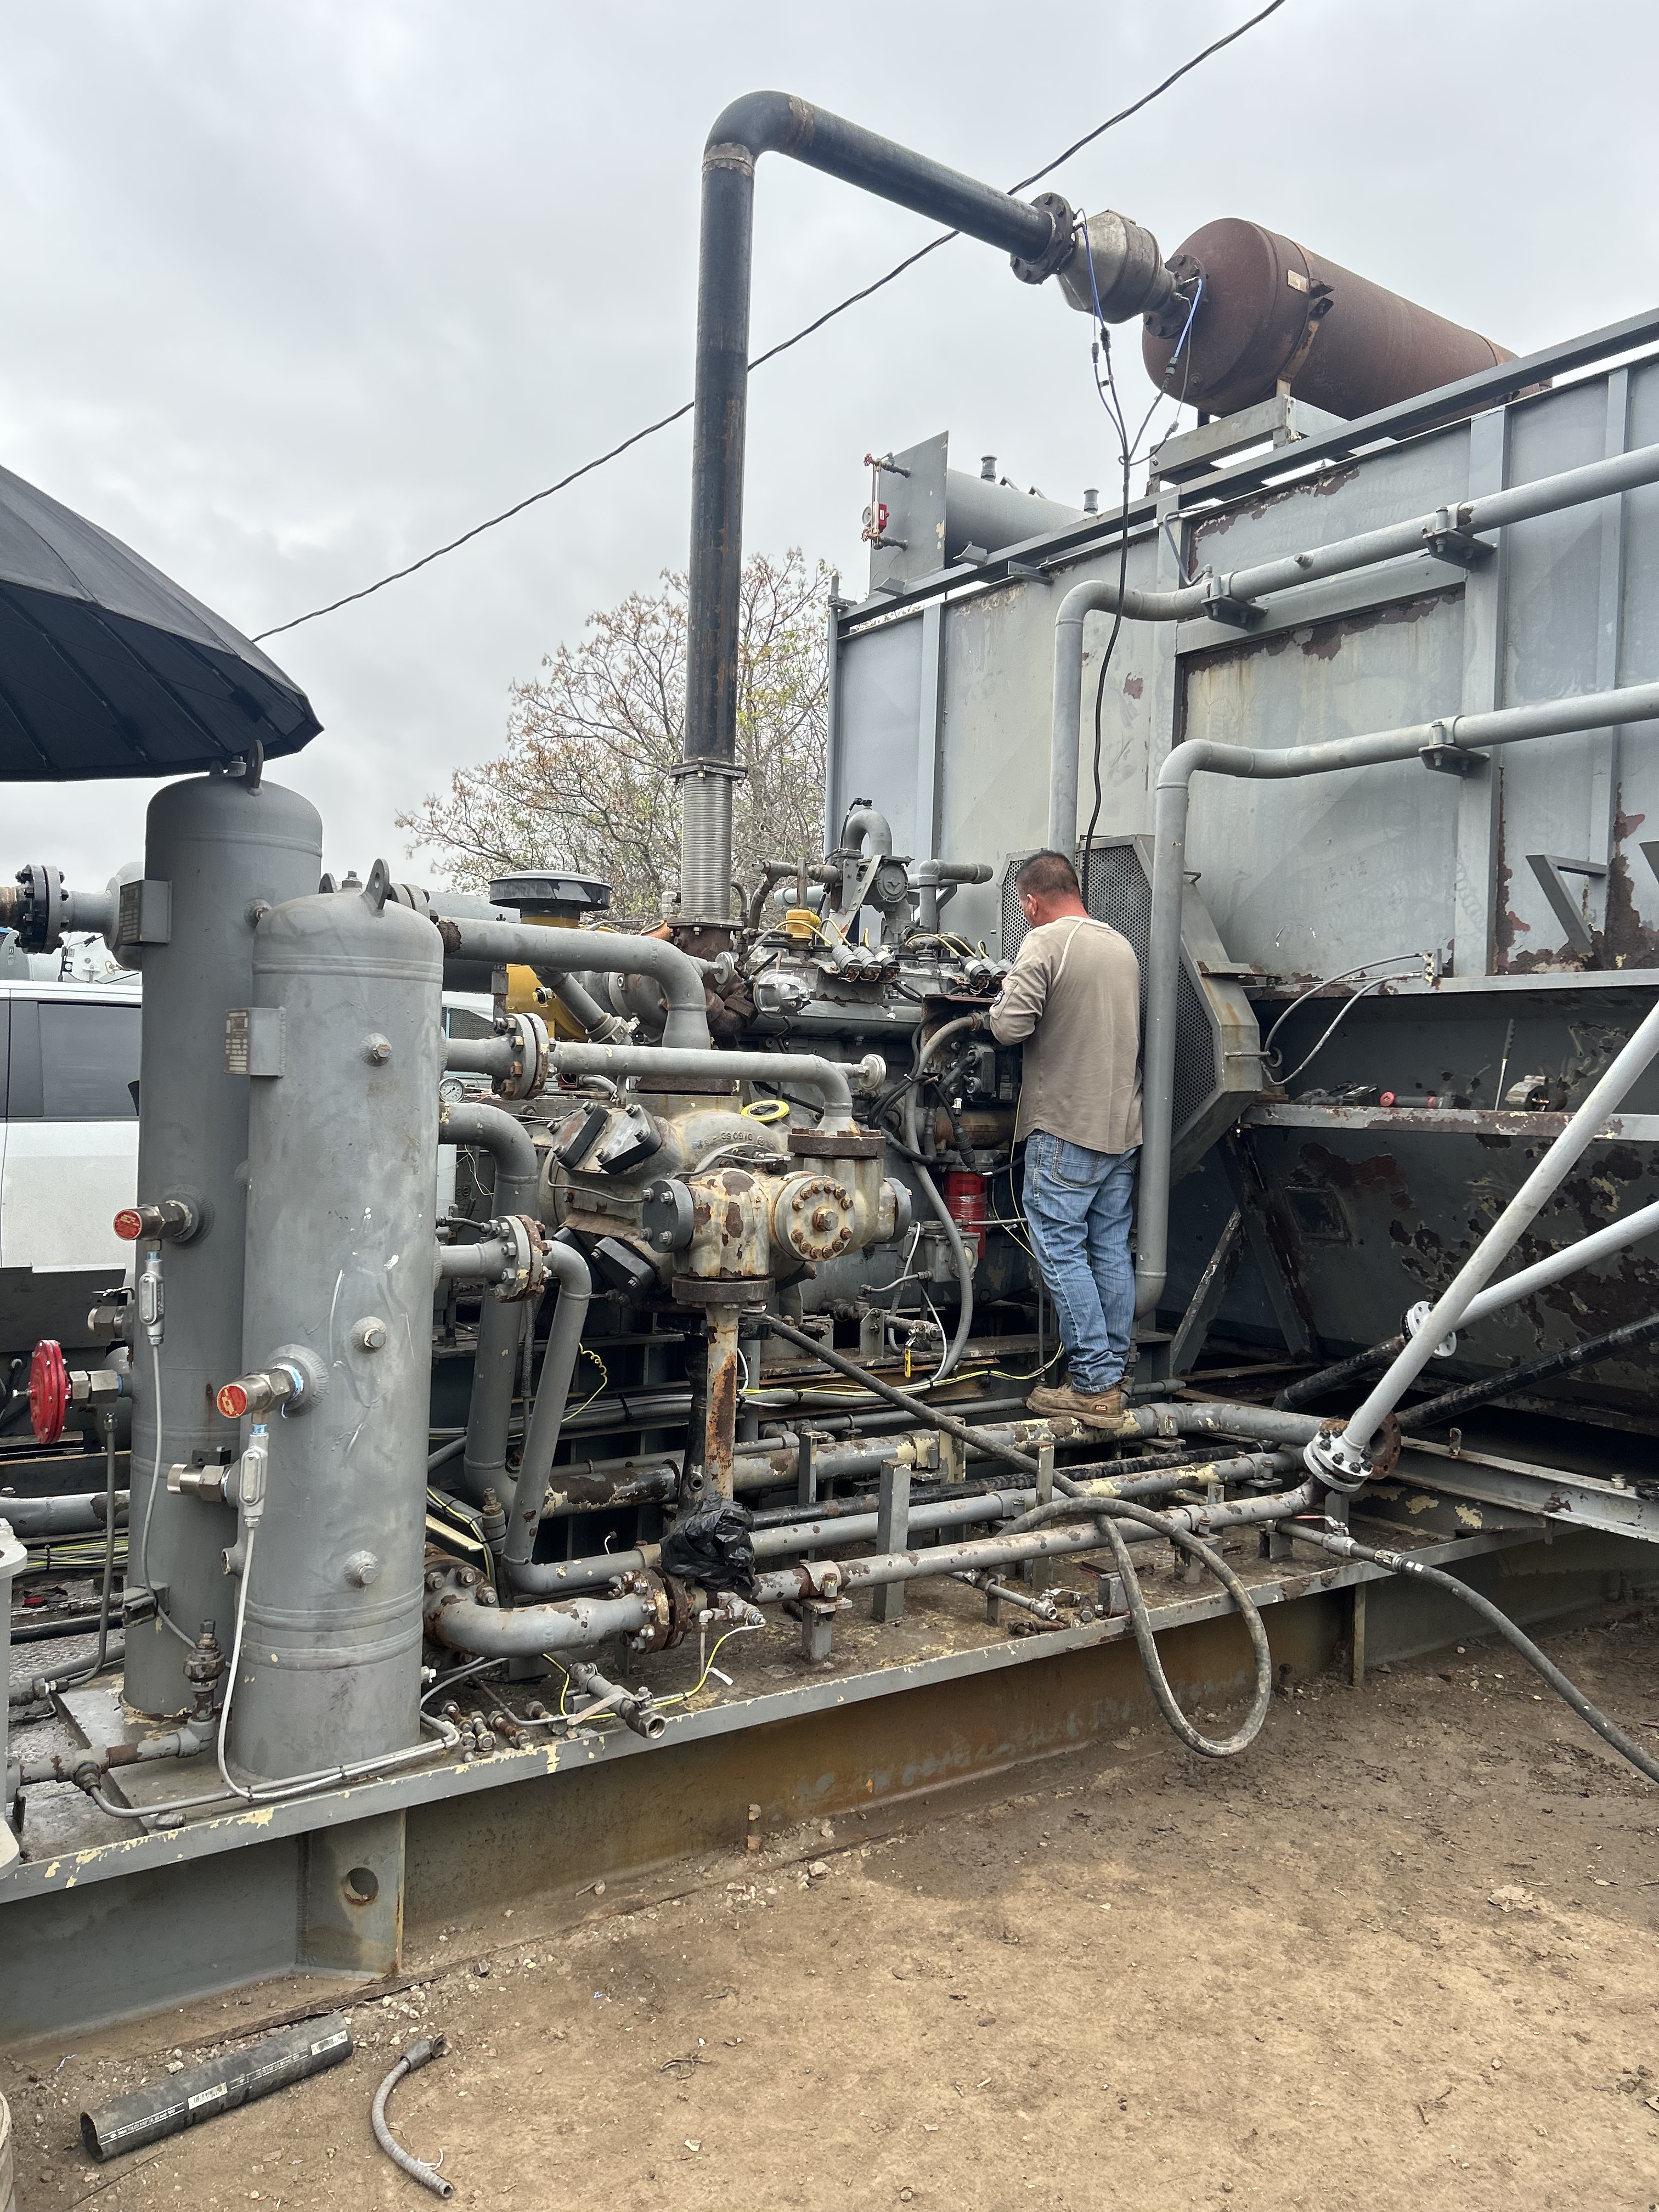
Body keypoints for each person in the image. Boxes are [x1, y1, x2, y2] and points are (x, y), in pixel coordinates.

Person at [988, 849, 1142, 1423]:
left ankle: (1093, 1384)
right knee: (1108, 1248)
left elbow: (1009, 1026)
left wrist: (994, 1003)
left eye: (1024, 907)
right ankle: (1115, 1373)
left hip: (1065, 1126)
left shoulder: (1046, 943)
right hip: (1121, 1128)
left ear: (1031, 900)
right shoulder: (1120, 946)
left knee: (1059, 1246)